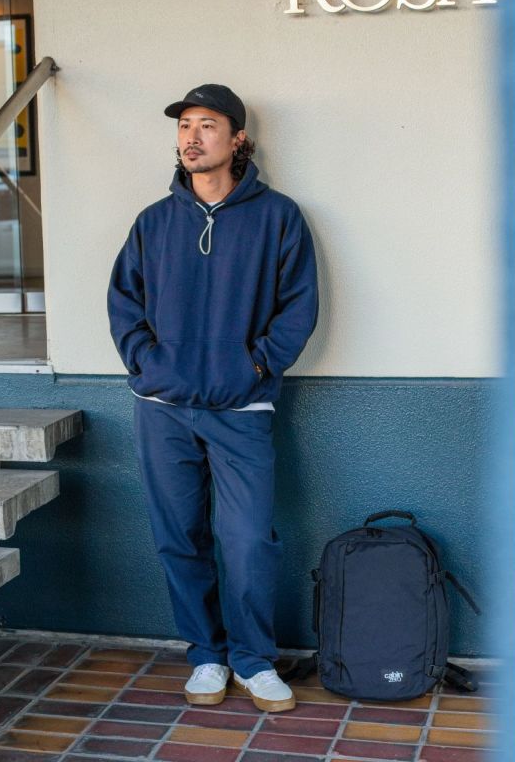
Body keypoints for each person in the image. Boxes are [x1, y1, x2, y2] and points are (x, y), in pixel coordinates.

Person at [107, 83, 318, 713]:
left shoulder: (278, 217)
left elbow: (298, 307)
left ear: (238, 139)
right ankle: (207, 654)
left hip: (240, 409)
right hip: (162, 408)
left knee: (248, 539)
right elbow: (124, 303)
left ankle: (253, 660)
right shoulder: (153, 222)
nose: (191, 138)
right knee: (181, 537)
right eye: (184, 126)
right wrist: (148, 365)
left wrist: (255, 366)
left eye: (206, 125)